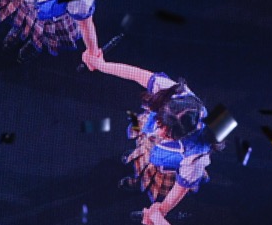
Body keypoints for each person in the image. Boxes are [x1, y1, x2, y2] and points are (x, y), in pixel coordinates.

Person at [91, 59, 217, 216]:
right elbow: (135, 73)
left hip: (169, 166)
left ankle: (140, 182)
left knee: (157, 177)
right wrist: (100, 64)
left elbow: (180, 188)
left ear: (183, 134)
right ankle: (139, 171)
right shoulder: (175, 93)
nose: (159, 133)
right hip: (159, 147)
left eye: (168, 134)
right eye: (161, 123)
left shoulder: (194, 157)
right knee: (145, 149)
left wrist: (162, 209)